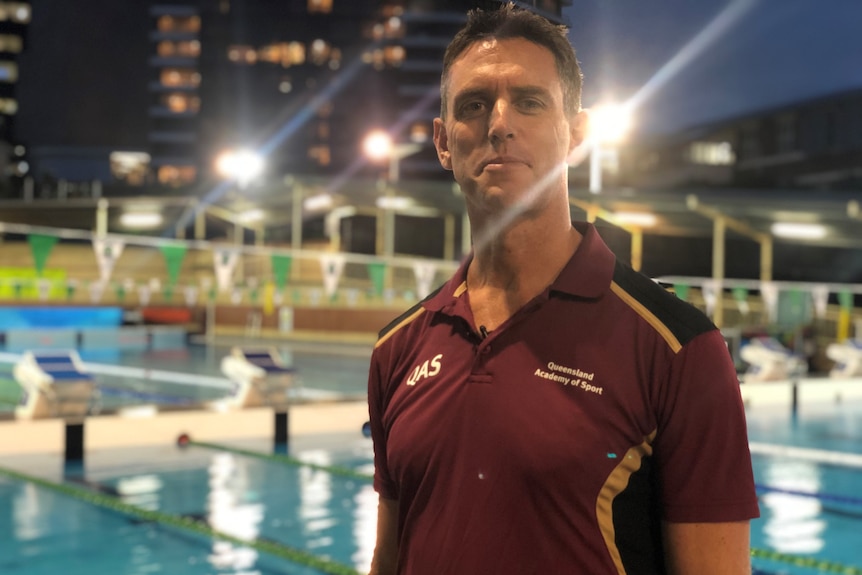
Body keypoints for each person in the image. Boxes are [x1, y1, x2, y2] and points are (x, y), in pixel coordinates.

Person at [366, 4, 760, 574]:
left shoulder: (678, 350)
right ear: (443, 142)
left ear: (576, 133)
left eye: (529, 101)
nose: (499, 123)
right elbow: (390, 556)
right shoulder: (397, 349)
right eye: (474, 105)